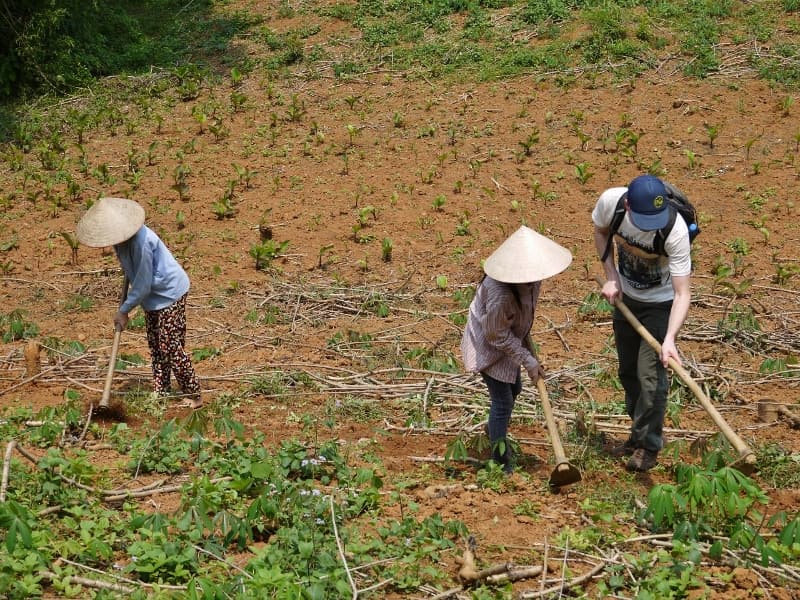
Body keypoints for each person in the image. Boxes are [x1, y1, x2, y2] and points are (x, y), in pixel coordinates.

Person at [592, 174, 692, 472]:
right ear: (627, 205)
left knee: (651, 379)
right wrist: (611, 276)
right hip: (625, 298)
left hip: (660, 306)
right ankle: (636, 437)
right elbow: (599, 232)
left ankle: (649, 447)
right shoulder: (612, 204)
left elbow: (682, 292)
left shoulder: (675, 230)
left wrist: (670, 339)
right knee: (628, 371)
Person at [460, 225, 572, 474]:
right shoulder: (500, 294)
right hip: (489, 343)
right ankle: (501, 460)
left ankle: (495, 428)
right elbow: (494, 334)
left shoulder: (532, 281)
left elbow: (523, 313)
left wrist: (526, 346)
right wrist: (527, 359)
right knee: (503, 401)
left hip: (508, 336)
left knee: (516, 388)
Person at [76, 197, 202, 409]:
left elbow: (143, 286)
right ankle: (161, 390)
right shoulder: (121, 241)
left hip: (169, 292)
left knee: (171, 346)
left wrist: (124, 310)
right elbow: (133, 274)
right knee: (156, 345)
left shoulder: (142, 243)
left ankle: (194, 393)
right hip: (152, 297)